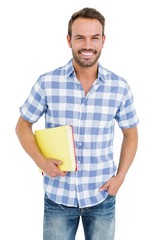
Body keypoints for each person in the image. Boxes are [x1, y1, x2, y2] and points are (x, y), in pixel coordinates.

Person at [15, 7, 139, 240]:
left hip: (101, 196)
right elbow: (22, 125)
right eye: (80, 37)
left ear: (103, 41)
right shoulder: (47, 82)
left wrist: (120, 177)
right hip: (58, 197)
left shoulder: (119, 87)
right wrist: (40, 160)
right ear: (69, 40)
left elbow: (131, 134)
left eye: (94, 38)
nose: (87, 45)